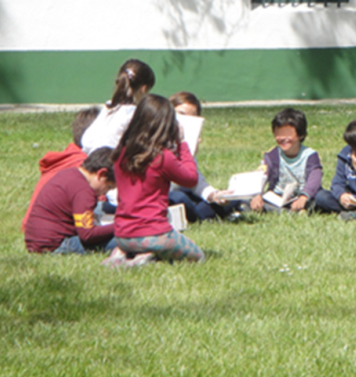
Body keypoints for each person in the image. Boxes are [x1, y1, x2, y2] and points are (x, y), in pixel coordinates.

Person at [104, 94, 204, 267]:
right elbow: (191, 179)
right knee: (199, 257)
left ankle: (123, 255)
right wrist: (182, 143)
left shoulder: (121, 153)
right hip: (155, 234)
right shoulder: (162, 157)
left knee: (138, 244)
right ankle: (147, 256)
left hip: (122, 235)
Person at [24, 147, 117, 254]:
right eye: (109, 187)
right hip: (55, 245)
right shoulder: (84, 191)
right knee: (120, 241)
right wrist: (120, 225)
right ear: (101, 174)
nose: (105, 193)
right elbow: (88, 235)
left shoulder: (70, 173)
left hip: (37, 242)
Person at [21, 106, 100, 232]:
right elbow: (95, 208)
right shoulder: (85, 168)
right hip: (53, 235)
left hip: (33, 229)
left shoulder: (66, 158)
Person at [167, 91, 238, 222]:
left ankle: (198, 214)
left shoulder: (187, 145)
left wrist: (213, 195)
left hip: (185, 191)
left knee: (232, 198)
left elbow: (195, 181)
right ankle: (200, 215)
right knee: (180, 199)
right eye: (181, 115)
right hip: (164, 196)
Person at [248, 108, 323, 213]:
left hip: (303, 197)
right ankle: (288, 211)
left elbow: (315, 178)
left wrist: (304, 196)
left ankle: (298, 209)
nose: (283, 139)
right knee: (247, 201)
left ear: (300, 134)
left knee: (322, 198)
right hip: (277, 197)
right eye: (279, 134)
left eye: (288, 135)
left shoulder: (310, 156)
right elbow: (263, 175)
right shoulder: (272, 155)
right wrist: (258, 195)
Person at [81, 58, 156, 155]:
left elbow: (86, 141)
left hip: (88, 158)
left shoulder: (109, 107)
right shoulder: (134, 113)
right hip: (110, 163)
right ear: (143, 89)